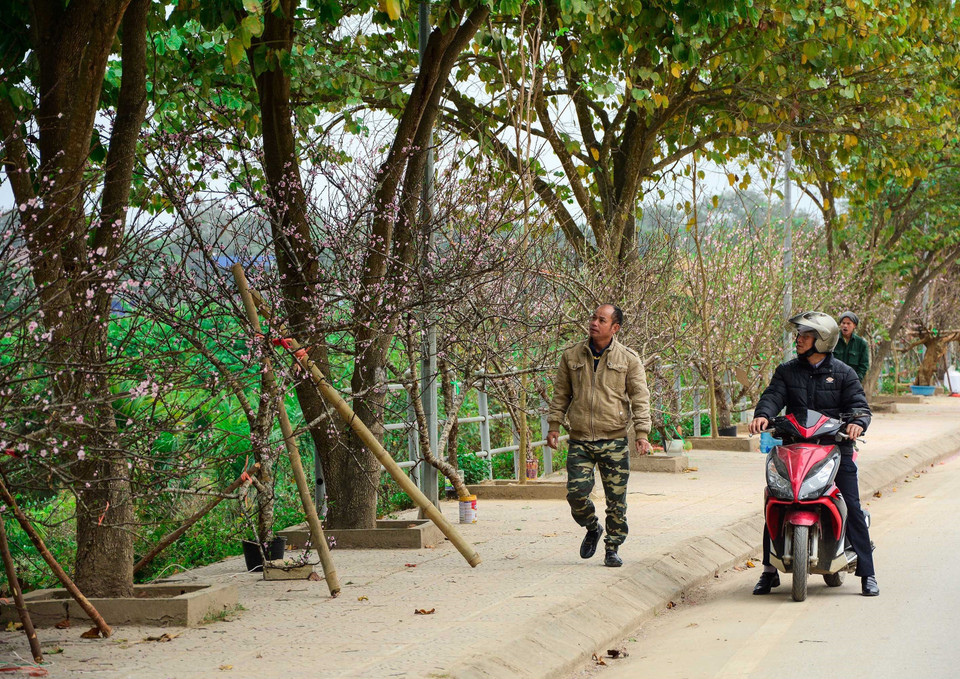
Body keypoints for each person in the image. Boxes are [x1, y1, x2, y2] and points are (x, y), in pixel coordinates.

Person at [748, 311, 878, 596]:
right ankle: (769, 571)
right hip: (795, 448)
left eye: (806, 335)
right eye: (799, 335)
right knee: (776, 498)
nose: (799, 339)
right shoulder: (787, 370)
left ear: (822, 340)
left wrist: (856, 423)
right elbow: (772, 396)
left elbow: (859, 406)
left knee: (853, 505)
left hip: (835, 448)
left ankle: (868, 573)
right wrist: (762, 415)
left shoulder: (844, 373)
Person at [546, 304, 652, 568]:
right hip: (580, 439)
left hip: (614, 439)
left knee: (617, 501)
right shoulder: (572, 356)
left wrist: (642, 433)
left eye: (601, 320)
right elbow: (561, 393)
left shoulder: (628, 359)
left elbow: (640, 397)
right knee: (576, 494)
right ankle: (593, 527)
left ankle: (612, 548)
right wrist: (554, 425)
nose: (594, 323)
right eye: (593, 317)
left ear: (614, 328)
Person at [833, 310, 870, 381]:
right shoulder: (833, 340)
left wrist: (856, 380)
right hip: (834, 382)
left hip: (852, 382)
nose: (845, 326)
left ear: (854, 326)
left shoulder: (861, 343)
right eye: (843, 323)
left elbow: (864, 365)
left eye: (848, 323)